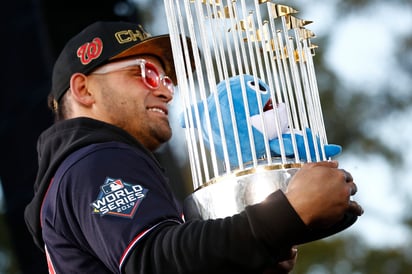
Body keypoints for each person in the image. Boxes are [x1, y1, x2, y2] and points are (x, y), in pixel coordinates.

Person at [24, 21, 363, 274]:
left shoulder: (79, 169)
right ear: (84, 90)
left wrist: (250, 258)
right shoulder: (97, 158)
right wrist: (285, 215)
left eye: (166, 79)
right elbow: (150, 260)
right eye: (145, 73)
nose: (166, 91)